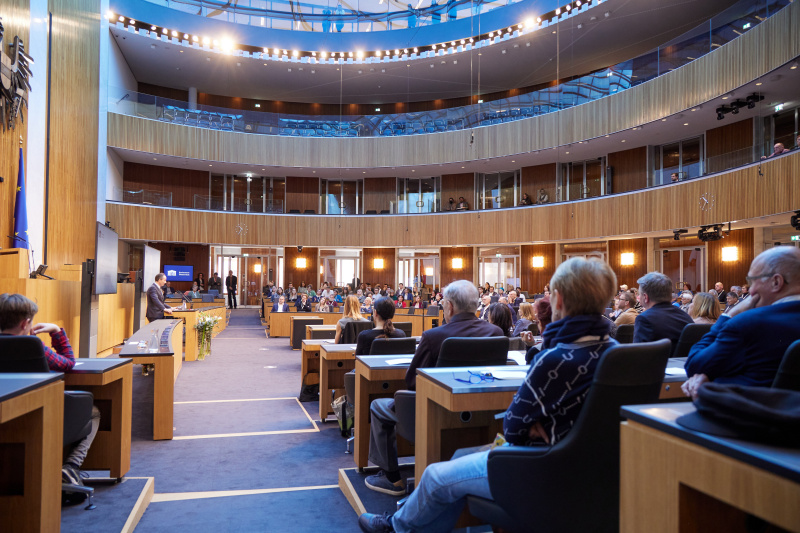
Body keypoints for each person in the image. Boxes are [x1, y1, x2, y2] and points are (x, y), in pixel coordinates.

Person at [358, 258, 619, 532]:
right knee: (459, 456)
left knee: (435, 476)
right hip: (597, 468)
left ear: (560, 300)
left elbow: (513, 428)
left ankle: (396, 527)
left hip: (542, 468)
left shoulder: (555, 359)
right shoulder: (616, 351)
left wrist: (536, 426)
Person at [364, 280, 504, 496]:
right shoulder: (495, 333)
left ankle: (391, 478)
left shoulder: (434, 336)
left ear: (449, 306)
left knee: (378, 405)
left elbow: (411, 381)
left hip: (431, 413)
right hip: (483, 414)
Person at [0, 293, 101, 488]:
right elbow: (68, 363)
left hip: (5, 414)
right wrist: (56, 331)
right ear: (25, 324)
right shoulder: (34, 346)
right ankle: (71, 466)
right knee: (93, 412)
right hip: (39, 415)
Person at [683, 247, 800, 397]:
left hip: (747, 414)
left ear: (776, 282)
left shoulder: (751, 323)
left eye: (752, 281)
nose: (751, 291)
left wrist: (729, 315)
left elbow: (695, 365)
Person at [633, 272, 694, 351]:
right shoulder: (685, 317)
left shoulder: (644, 319)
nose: (638, 297)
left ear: (645, 297)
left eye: (639, 294)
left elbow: (638, 355)